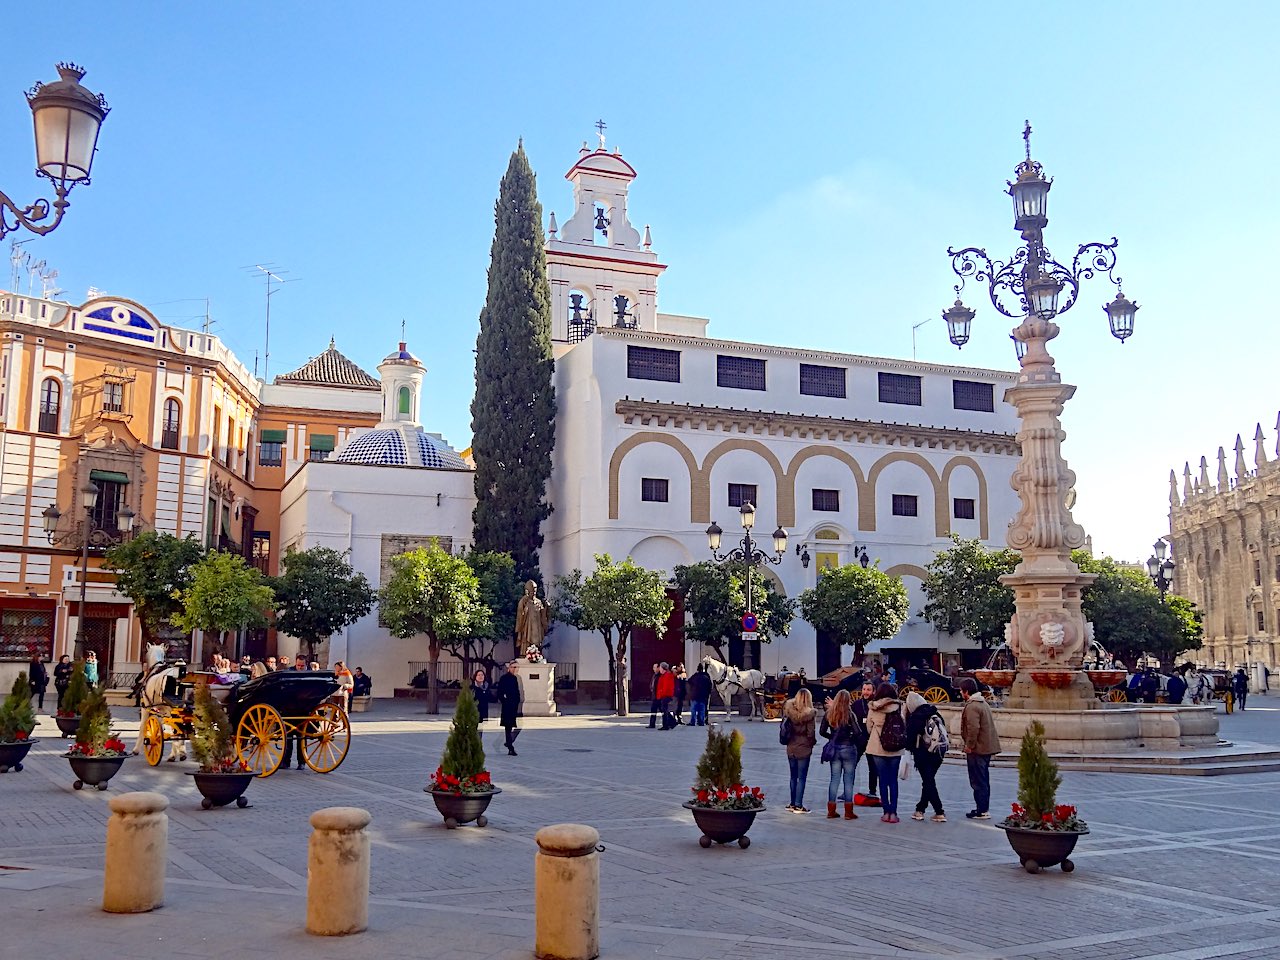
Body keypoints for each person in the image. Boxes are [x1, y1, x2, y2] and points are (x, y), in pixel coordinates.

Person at [958, 677, 1001, 819]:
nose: (960, 694)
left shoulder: (972, 706)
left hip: (978, 749)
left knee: (977, 780)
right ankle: (983, 808)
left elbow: (973, 728)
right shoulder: (983, 703)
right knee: (983, 779)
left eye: (961, 691)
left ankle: (982, 810)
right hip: (985, 748)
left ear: (966, 691)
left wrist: (969, 745)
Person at [904, 691, 946, 822]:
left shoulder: (916, 717)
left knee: (928, 782)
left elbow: (910, 739)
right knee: (928, 782)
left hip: (924, 754)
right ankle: (920, 809)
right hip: (938, 752)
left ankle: (939, 812)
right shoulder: (935, 712)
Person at [865, 682, 904, 823]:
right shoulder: (899, 706)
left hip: (877, 747)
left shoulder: (873, 707)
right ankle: (894, 813)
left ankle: (885, 812)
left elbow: (869, 727)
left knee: (882, 780)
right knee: (893, 781)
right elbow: (903, 724)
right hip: (896, 747)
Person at [819, 688, 861, 820]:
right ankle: (848, 812)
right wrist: (851, 739)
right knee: (848, 780)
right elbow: (858, 732)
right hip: (848, 747)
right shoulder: (849, 714)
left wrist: (831, 738)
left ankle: (831, 810)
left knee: (834, 779)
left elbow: (821, 731)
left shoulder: (829, 713)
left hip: (835, 749)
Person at [783, 687, 818, 813]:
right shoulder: (810, 714)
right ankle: (798, 805)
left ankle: (792, 803)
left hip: (791, 746)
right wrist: (812, 744)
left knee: (793, 777)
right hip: (803, 747)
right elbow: (811, 733)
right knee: (801, 778)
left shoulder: (789, 710)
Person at [852, 680, 879, 802]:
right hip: (859, 739)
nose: (865, 692)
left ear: (873, 691)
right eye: (864, 689)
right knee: (852, 765)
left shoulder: (877, 704)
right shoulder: (857, 704)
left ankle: (872, 791)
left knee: (873, 767)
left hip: (873, 740)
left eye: (868, 690)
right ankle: (848, 789)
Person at [495, 661, 522, 756]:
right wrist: (505, 701)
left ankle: (509, 742)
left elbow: (516, 691)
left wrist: (517, 700)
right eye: (513, 667)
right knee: (508, 727)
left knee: (515, 727)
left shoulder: (515, 678)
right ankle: (510, 746)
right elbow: (499, 692)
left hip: (514, 706)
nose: (515, 669)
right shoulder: (504, 678)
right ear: (509, 668)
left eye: (516, 667)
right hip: (507, 706)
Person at [515, 579, 549, 654]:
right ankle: (525, 653)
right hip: (527, 625)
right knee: (526, 639)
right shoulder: (524, 601)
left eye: (534, 591)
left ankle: (536, 654)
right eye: (531, 591)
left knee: (536, 642)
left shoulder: (538, 602)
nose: (533, 593)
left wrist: (547, 607)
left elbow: (543, 614)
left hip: (537, 626)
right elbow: (520, 612)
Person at [655, 662, 677, 730]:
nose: (659, 669)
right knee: (664, 710)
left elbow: (666, 687)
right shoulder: (664, 675)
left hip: (665, 695)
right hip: (664, 695)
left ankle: (666, 725)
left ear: (663, 668)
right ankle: (672, 722)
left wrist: (661, 693)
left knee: (664, 711)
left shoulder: (667, 675)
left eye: (660, 668)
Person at [647, 663, 662, 730]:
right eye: (653, 667)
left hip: (658, 696)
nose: (653, 669)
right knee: (654, 710)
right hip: (654, 696)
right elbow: (652, 684)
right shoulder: (654, 675)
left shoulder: (660, 676)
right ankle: (652, 724)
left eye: (655, 667)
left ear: (658, 668)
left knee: (663, 710)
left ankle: (672, 722)